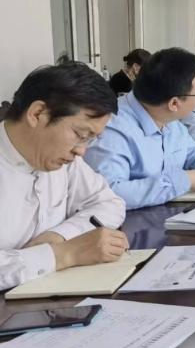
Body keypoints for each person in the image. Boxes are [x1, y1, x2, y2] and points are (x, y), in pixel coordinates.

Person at [0, 62, 128, 290]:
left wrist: (59, 235)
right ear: (38, 114)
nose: (81, 151)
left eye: (90, 139)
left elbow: (110, 204)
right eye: (80, 134)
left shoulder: (62, 160)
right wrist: (62, 254)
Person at [85, 48, 195, 210]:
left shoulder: (169, 121)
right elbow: (111, 192)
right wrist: (185, 180)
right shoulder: (112, 128)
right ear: (174, 103)